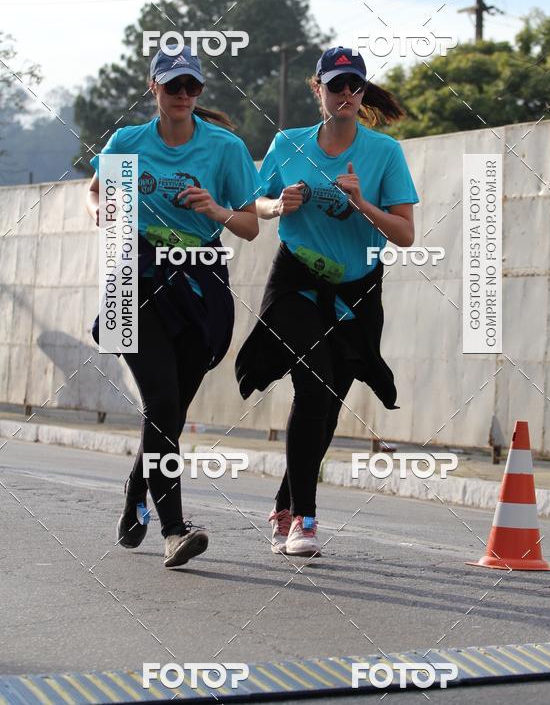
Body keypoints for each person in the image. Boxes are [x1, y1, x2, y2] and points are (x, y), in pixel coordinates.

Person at [235, 46, 419, 557]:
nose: (345, 95)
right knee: (314, 385)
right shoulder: (287, 143)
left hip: (356, 288)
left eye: (354, 86)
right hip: (296, 279)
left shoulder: (384, 152)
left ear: (362, 92)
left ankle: (285, 502)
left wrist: (363, 205)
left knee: (332, 398)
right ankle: (305, 522)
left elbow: (405, 234)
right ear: (317, 89)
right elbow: (255, 204)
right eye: (335, 86)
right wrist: (278, 205)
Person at [86, 44, 263, 568]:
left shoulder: (225, 149)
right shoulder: (127, 142)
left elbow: (251, 226)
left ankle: (136, 488)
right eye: (172, 86)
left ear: (199, 92)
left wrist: (215, 208)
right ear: (153, 88)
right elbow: (94, 194)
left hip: (201, 283)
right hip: (134, 281)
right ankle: (174, 530)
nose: (183, 95)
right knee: (162, 404)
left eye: (191, 87)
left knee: (170, 414)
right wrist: (104, 211)